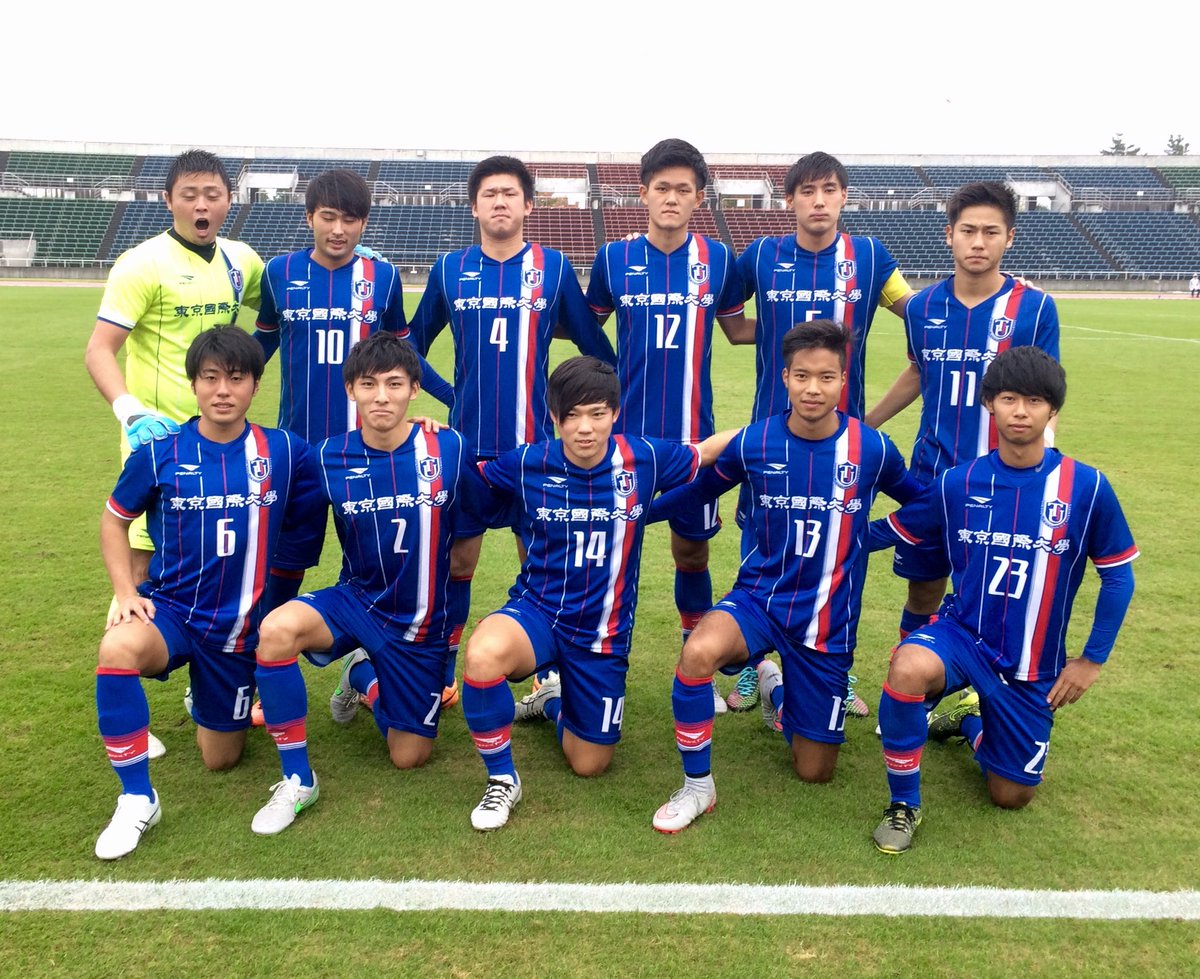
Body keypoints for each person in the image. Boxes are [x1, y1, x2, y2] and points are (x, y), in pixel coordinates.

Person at [648, 321, 920, 833]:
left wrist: (873, 535)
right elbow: (698, 492)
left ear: (844, 380)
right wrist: (637, 514)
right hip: (759, 601)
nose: (812, 388)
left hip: (827, 620)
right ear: (785, 378)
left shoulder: (872, 449)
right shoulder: (754, 442)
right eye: (801, 376)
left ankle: (775, 688)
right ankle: (697, 787)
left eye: (826, 377)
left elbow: (921, 502)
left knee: (814, 772)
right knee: (698, 652)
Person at [868, 346, 1137, 854]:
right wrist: (824, 528)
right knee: (907, 668)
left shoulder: (1087, 487)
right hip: (962, 635)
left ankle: (968, 721)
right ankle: (904, 804)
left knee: (1011, 796)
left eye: (1034, 401)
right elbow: (894, 530)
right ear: (989, 404)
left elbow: (1118, 578)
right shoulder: (959, 481)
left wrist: (1090, 661)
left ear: (1052, 411)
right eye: (1008, 398)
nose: (1020, 411)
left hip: (1032, 664)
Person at [460, 356, 735, 831]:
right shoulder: (528, 462)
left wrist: (788, 425)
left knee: (590, 763)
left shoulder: (644, 457)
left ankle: (550, 700)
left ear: (614, 412)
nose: (584, 428)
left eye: (596, 414)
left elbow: (708, 451)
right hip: (538, 612)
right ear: (554, 418)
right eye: (571, 416)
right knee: (483, 654)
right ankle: (503, 780)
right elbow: (465, 474)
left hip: (603, 634)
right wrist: (426, 431)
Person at [92, 327, 321, 860]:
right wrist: (125, 591)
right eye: (211, 378)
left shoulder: (286, 450)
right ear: (193, 384)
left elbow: (349, 466)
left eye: (236, 378)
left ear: (255, 386)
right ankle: (136, 798)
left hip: (237, 631)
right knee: (117, 649)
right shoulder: (160, 452)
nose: (223, 390)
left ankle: (207, 693)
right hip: (170, 611)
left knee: (220, 758)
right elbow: (113, 519)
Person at [248, 332, 482, 835]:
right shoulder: (327, 456)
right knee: (277, 630)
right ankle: (297, 778)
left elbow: (466, 548)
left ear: (414, 390)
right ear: (350, 389)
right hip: (354, 600)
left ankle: (362, 678)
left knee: (409, 757)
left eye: (394, 384)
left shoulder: (449, 446)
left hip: (419, 625)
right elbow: (293, 538)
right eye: (368, 384)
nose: (381, 396)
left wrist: (448, 655)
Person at [406, 155, 618, 707]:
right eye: (489, 193)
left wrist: (575, 412)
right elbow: (409, 346)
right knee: (458, 563)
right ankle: (440, 671)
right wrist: (453, 397)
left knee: (541, 562)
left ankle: (549, 674)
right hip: (468, 452)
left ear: (528, 204)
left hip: (538, 457)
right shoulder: (450, 269)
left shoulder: (554, 268)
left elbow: (596, 352)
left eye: (510, 193)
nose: (500, 202)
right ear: (474, 205)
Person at [252, 169, 455, 715]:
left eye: (350, 219)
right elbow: (261, 348)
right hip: (299, 455)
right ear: (309, 217)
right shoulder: (279, 273)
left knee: (383, 562)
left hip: (372, 453)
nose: (338, 229)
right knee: (284, 564)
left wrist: (455, 399)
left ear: (364, 222)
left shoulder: (383, 277)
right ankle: (260, 671)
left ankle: (367, 668)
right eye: (328, 217)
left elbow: (402, 354)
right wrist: (212, 392)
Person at [86, 149, 263, 757]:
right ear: (169, 200)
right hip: (160, 448)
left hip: (220, 439)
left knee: (214, 568)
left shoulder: (243, 260)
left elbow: (283, 301)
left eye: (212, 193)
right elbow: (100, 349)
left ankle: (207, 688)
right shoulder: (142, 263)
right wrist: (129, 410)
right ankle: (129, 706)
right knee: (138, 580)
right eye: (189, 194)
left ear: (228, 199)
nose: (201, 204)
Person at [725, 150, 914, 709]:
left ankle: (837, 668)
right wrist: (783, 332)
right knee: (759, 541)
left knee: (841, 553)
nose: (819, 201)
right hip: (772, 431)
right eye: (806, 191)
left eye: (829, 189)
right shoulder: (760, 255)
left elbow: (918, 309)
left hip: (844, 442)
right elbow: (733, 326)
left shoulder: (872, 256)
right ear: (789, 201)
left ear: (844, 197)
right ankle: (756, 666)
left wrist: (871, 421)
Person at [586, 138, 752, 717]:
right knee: (610, 558)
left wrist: (812, 324)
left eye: (684, 189)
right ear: (643, 193)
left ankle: (695, 658)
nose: (672, 198)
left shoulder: (719, 260)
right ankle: (593, 667)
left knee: (692, 555)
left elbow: (737, 330)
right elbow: (585, 331)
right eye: (662, 188)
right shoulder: (612, 260)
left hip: (695, 444)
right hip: (624, 444)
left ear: (699, 197)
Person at [865, 181, 1060, 642]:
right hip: (932, 475)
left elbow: (1045, 396)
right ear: (948, 234)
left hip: (1004, 478)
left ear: (1009, 238)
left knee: (992, 593)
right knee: (923, 591)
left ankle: (976, 697)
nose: (978, 242)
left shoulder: (1035, 308)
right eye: (968, 230)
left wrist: (1045, 468)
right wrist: (865, 424)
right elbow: (918, 370)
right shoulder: (921, 307)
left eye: (991, 232)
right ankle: (909, 694)